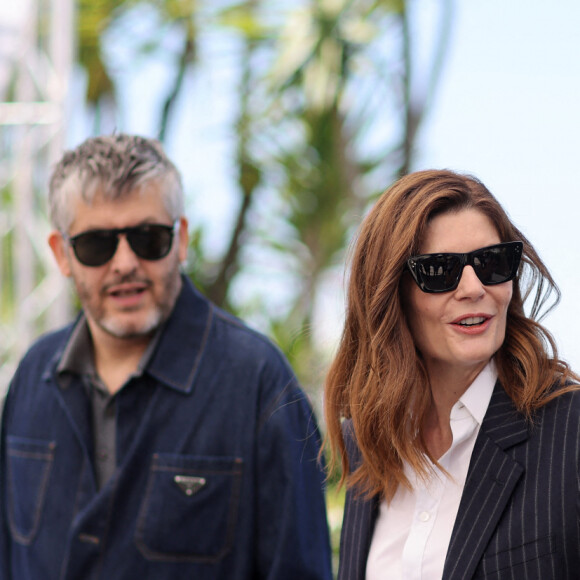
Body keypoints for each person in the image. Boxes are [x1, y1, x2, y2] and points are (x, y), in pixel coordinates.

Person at [0, 134, 332, 580]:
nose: (124, 263)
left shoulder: (259, 384)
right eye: (97, 244)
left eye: (148, 238)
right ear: (62, 254)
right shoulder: (31, 378)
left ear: (181, 240)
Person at [324, 169, 580, 580]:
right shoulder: (368, 443)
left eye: (493, 262)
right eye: (440, 271)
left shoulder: (570, 427)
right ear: (391, 294)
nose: (473, 287)